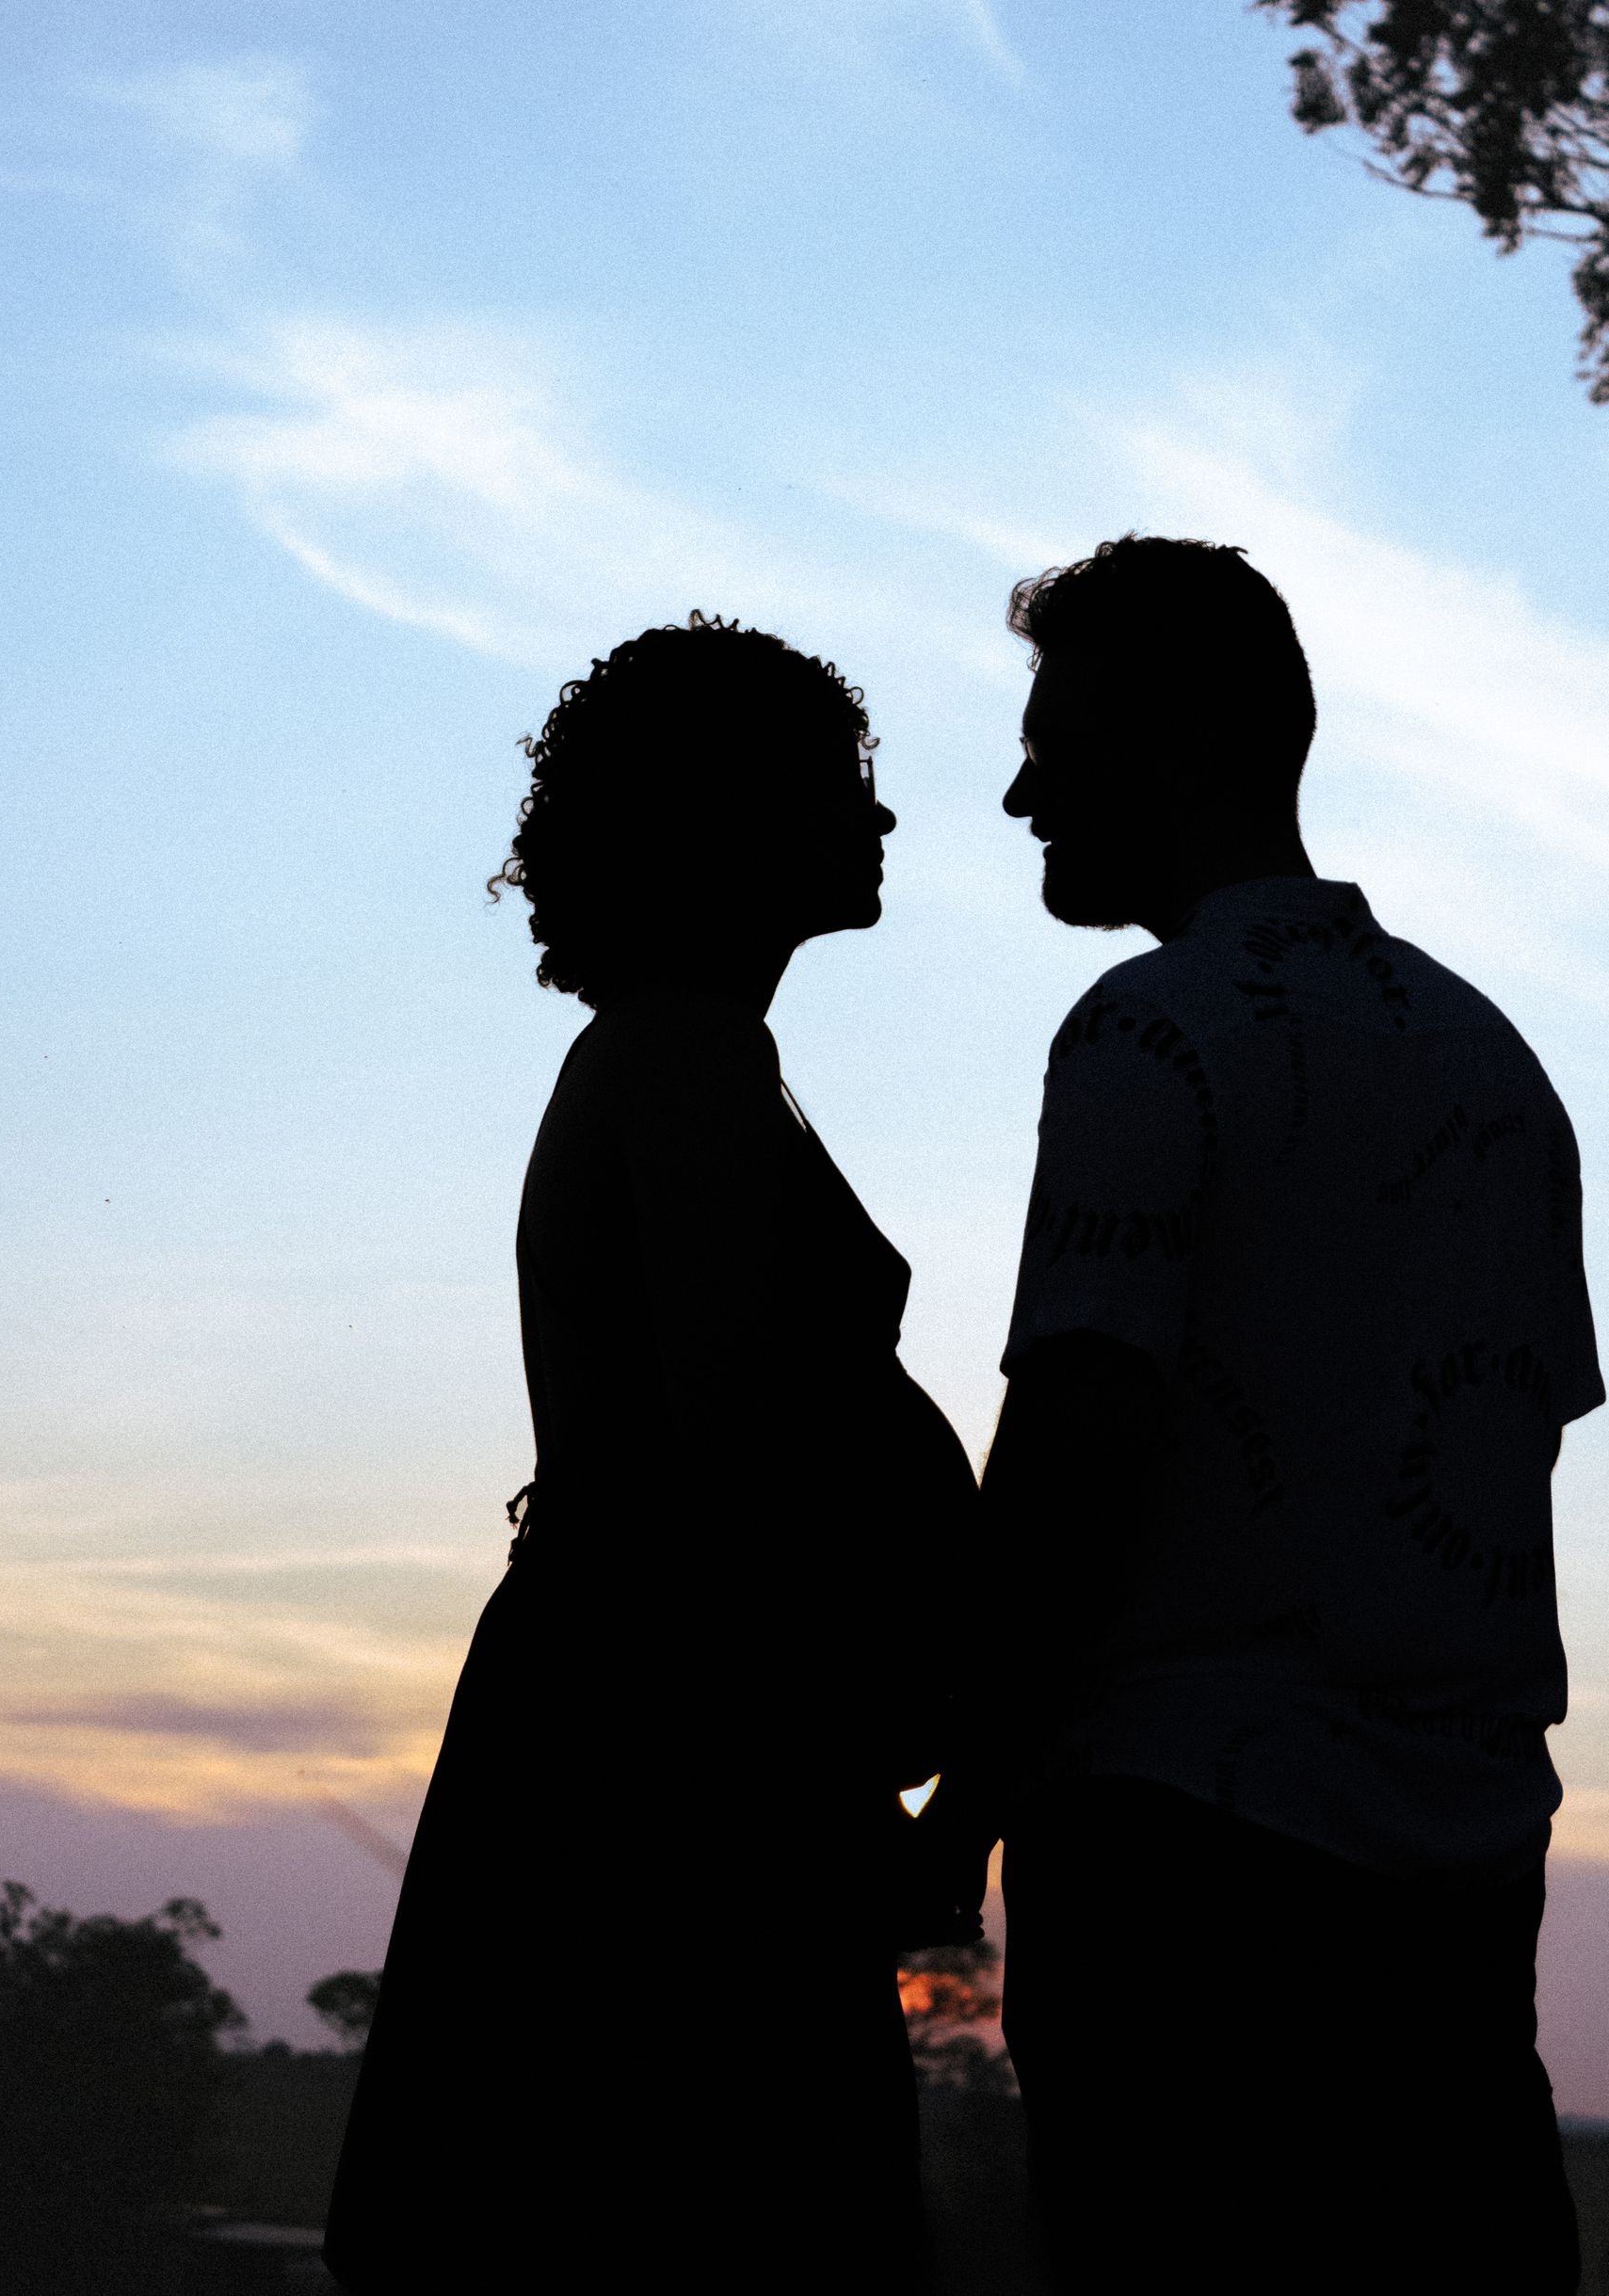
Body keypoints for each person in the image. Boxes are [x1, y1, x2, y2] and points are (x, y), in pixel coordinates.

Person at [323, 612, 984, 2295]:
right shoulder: (679, 1064)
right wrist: (861, 1804)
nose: (886, 822)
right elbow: (739, 1478)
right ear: (736, 817)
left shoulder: (697, 1062)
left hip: (670, 1752)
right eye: (849, 786)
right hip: (668, 1790)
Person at [982, 536, 1602, 2295]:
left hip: (1183, 1888)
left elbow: (1082, 1441)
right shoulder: (1499, 1065)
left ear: (1181, 749)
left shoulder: (1145, 1036)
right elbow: (1510, 1451)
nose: (1021, 789)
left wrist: (958, 1804)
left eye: (1059, 739)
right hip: (1465, 1907)